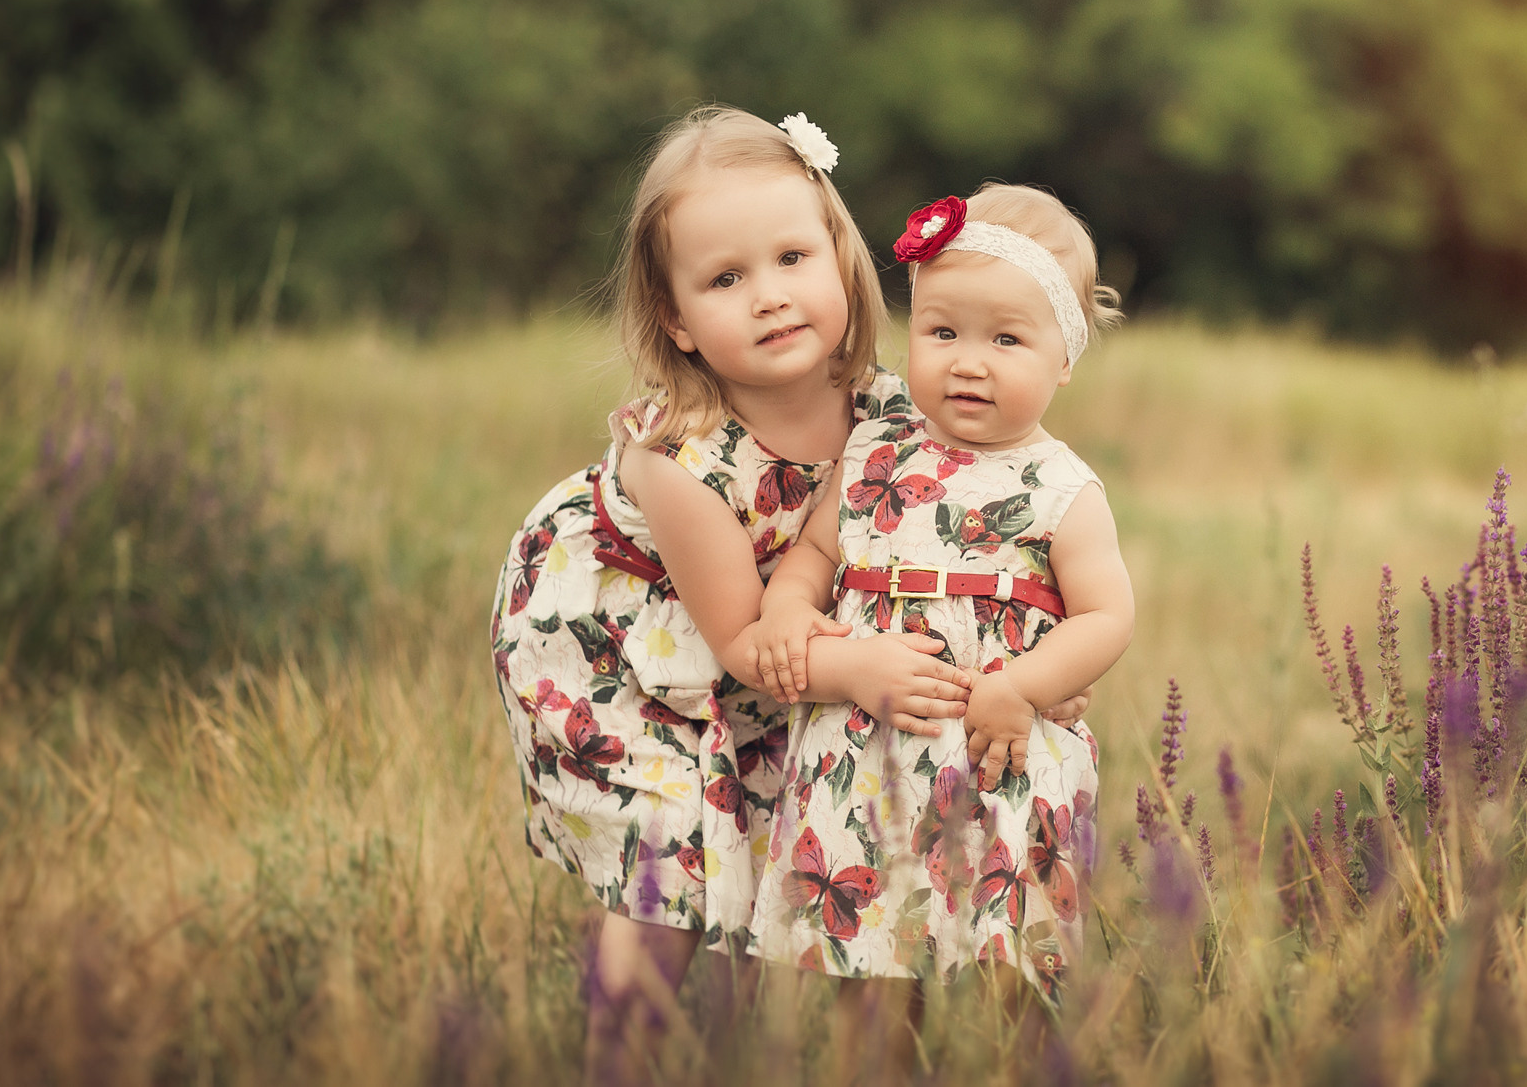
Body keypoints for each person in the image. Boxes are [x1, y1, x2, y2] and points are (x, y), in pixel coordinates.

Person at [487, 108, 994, 1079]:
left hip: (779, 636)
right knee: (672, 856)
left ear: (841, 258)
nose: (769, 296)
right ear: (675, 318)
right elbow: (742, 646)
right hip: (624, 647)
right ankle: (618, 1058)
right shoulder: (678, 459)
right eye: (725, 279)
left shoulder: (889, 410)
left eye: (792, 257)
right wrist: (864, 670)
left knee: (830, 817)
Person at [744, 183, 1136, 1040]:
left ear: (1064, 358)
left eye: (1007, 339)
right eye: (943, 331)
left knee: (1015, 953)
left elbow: (1107, 615)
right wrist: (786, 606)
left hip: (1001, 758)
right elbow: (817, 551)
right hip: (865, 756)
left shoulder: (1062, 488)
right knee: (870, 958)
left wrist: (1024, 684)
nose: (968, 362)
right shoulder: (876, 448)